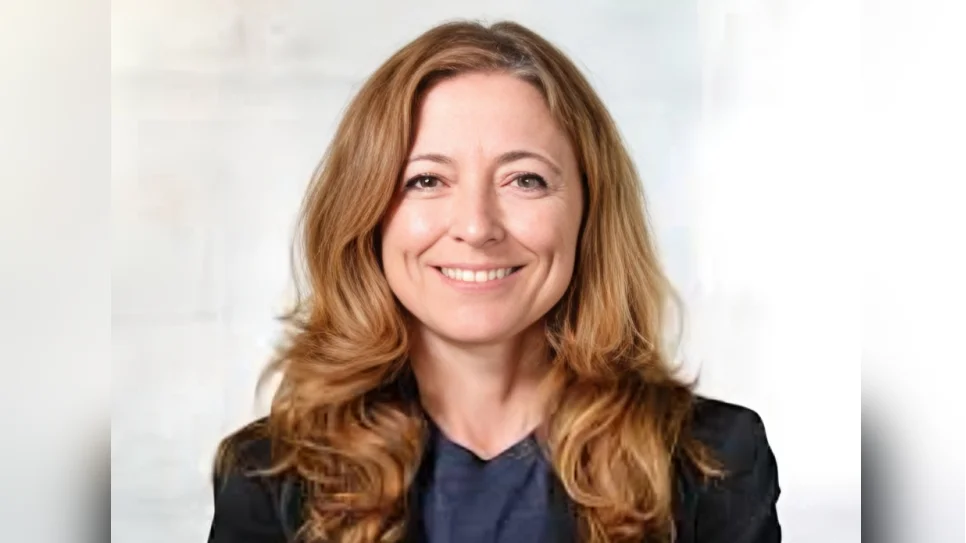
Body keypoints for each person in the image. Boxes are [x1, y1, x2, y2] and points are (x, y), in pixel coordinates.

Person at [207, 20, 781, 543]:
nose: (477, 226)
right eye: (427, 180)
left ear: (590, 212)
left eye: (525, 180)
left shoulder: (716, 462)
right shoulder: (267, 475)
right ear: (368, 215)